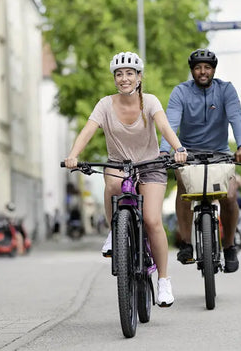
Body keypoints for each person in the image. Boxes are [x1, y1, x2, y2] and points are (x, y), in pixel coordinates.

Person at [64, 51, 188, 307]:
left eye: (130, 73)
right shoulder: (105, 105)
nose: (124, 78)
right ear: (114, 79)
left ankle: (164, 280)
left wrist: (178, 149)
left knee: (153, 220)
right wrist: (73, 156)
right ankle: (115, 232)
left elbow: (164, 126)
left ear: (139, 77)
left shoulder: (150, 101)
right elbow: (88, 131)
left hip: (150, 165)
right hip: (119, 164)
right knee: (112, 181)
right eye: (119, 74)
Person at [159, 48, 241, 273]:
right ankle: (187, 243)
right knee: (183, 187)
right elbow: (170, 123)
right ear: (192, 71)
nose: (202, 72)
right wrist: (164, 151)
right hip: (187, 153)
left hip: (220, 152)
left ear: (213, 70)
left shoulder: (226, 90)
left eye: (207, 68)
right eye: (198, 68)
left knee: (229, 196)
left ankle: (229, 246)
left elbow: (236, 118)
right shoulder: (180, 92)